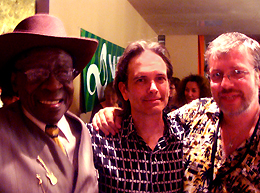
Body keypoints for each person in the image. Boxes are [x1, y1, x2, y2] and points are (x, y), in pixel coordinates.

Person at [92, 32, 260, 192]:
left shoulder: (182, 132)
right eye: (217, 74)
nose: (226, 84)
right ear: (124, 89)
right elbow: (150, 116)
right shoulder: (197, 116)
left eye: (237, 73)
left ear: (257, 76)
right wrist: (113, 113)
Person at [0, 14, 99, 192]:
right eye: (37, 74)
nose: (53, 86)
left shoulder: (81, 131)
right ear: (15, 82)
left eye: (63, 72)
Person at [88, 40, 183, 192]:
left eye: (160, 78)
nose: (153, 88)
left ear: (169, 86)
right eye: (141, 80)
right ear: (124, 90)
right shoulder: (98, 139)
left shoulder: (187, 138)